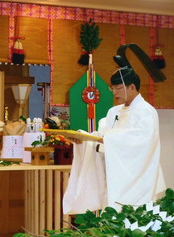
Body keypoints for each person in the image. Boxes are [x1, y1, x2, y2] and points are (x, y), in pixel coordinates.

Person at [63, 66, 166, 214]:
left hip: (139, 178)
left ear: (132, 87)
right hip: (114, 176)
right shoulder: (114, 112)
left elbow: (143, 141)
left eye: (118, 88)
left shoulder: (146, 111)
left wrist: (108, 139)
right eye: (112, 89)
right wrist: (83, 139)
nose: (114, 93)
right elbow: (101, 136)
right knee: (112, 217)